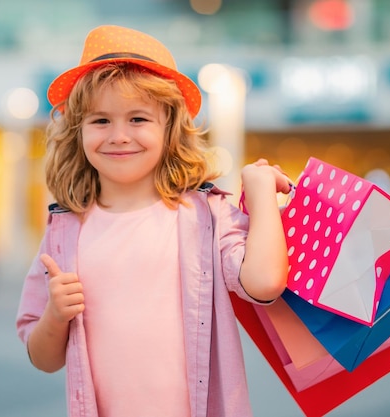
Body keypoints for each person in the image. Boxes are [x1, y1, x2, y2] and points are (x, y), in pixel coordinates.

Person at [16, 25, 292, 417]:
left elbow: (264, 284)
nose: (119, 135)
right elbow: (43, 358)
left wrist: (260, 191)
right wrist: (55, 315)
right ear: (77, 132)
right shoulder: (65, 230)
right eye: (100, 121)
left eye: (138, 119)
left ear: (170, 128)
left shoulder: (205, 215)